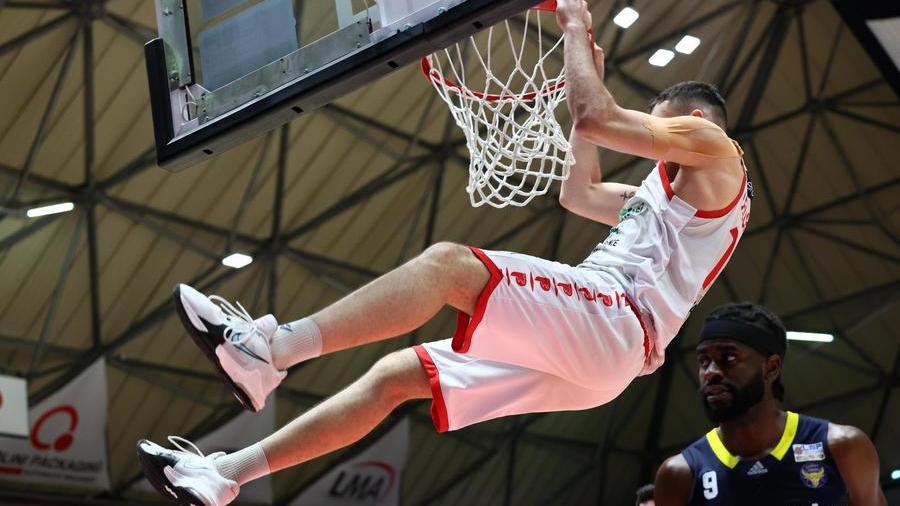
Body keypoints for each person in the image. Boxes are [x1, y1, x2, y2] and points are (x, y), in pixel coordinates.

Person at [136, 1, 752, 504]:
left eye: (662, 126)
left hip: (614, 317)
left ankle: (270, 350)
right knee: (394, 378)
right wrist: (577, 72)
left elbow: (596, 118)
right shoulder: (673, 198)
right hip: (604, 354)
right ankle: (226, 474)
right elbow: (578, 192)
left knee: (446, 266)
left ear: (696, 120)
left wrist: (572, 25)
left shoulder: (712, 144)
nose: (657, 138)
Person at [654, 303, 887, 506]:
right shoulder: (679, 475)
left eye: (729, 358)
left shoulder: (843, 447)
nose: (711, 372)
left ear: (772, 367)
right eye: (704, 361)